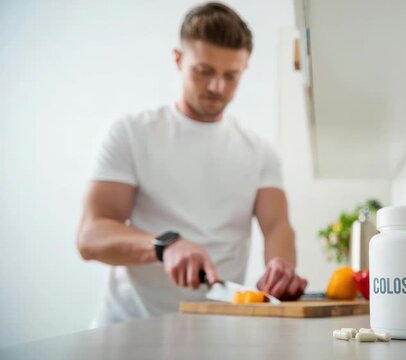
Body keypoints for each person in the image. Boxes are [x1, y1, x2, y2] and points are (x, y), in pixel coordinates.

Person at [76, 2, 307, 325]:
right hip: (128, 328)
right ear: (178, 59)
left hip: (216, 329)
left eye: (231, 76)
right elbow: (90, 236)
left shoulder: (259, 150)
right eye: (205, 71)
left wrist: (281, 264)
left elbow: (277, 226)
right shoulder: (131, 133)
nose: (217, 87)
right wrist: (164, 245)